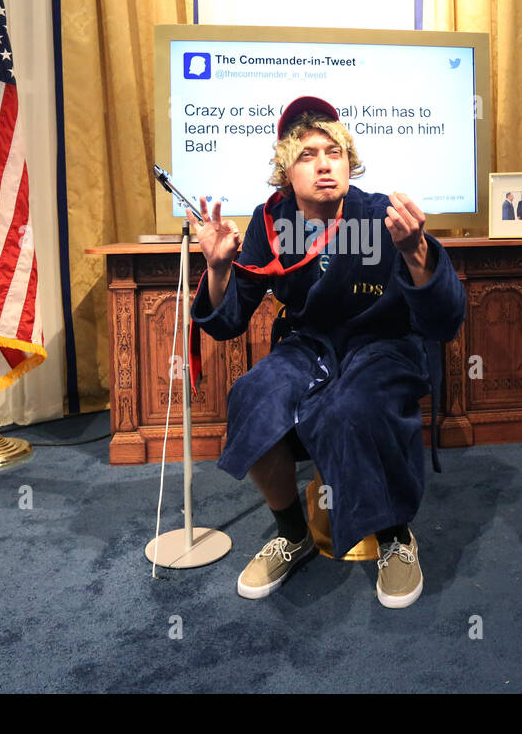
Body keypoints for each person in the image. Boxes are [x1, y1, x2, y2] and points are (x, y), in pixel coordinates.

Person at [188, 95, 466, 608]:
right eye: (307, 154)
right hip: (310, 345)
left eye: (333, 152)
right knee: (252, 395)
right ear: (284, 171)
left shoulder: (381, 215)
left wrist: (417, 253)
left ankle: (395, 537)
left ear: (349, 161)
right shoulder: (269, 224)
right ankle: (291, 532)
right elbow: (228, 323)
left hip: (382, 343)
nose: (323, 164)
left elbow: (445, 318)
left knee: (355, 406)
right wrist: (220, 270)